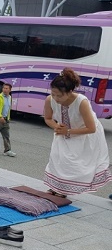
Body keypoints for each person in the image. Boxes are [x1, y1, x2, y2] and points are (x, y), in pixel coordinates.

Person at [43, 68, 112, 197]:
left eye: (59, 95)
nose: (56, 98)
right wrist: (56, 126)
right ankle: (55, 187)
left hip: (85, 134)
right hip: (63, 132)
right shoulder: (49, 100)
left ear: (70, 92)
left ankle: (64, 190)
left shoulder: (82, 102)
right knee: (58, 157)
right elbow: (47, 118)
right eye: (53, 94)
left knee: (75, 163)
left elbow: (91, 128)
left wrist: (68, 131)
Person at [0, 83, 16, 157]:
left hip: (5, 120)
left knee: (6, 135)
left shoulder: (10, 97)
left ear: (10, 90)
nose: (5, 90)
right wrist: (0, 116)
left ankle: (7, 150)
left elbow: (8, 108)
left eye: (6, 88)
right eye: (4, 88)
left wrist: (7, 118)